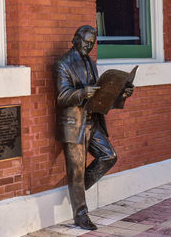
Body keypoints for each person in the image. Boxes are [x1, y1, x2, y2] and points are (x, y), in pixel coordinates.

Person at [53, 25, 134, 230]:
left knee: (109, 156)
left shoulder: (91, 62)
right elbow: (62, 97)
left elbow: (100, 95)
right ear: (75, 39)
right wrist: (82, 93)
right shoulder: (62, 64)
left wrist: (121, 93)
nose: (88, 47)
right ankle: (81, 215)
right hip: (74, 124)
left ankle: (76, 187)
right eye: (86, 42)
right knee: (76, 171)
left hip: (93, 120)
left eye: (92, 44)